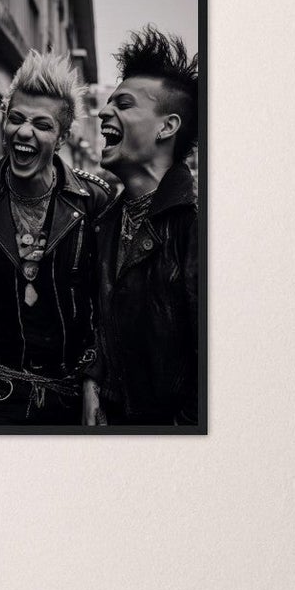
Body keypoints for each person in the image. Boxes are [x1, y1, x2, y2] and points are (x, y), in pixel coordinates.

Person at [0, 51, 111, 426]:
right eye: (16, 119)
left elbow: (108, 297)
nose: (24, 132)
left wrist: (93, 372)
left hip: (72, 392)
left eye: (41, 124)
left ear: (63, 137)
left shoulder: (93, 200)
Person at [93, 26, 201, 427]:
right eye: (107, 104)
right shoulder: (105, 221)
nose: (104, 113)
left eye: (123, 104)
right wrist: (94, 381)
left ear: (167, 126)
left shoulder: (196, 222)